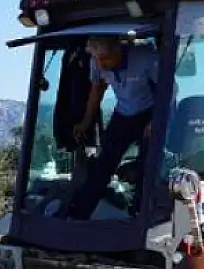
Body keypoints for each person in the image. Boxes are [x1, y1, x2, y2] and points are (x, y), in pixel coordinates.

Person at [64, 35, 159, 220]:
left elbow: (169, 90)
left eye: (106, 59)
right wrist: (85, 121)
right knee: (104, 160)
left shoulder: (145, 57)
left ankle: (141, 213)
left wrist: (157, 120)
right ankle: (80, 214)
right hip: (123, 113)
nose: (102, 64)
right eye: (98, 60)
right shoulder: (96, 62)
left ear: (118, 50)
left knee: (149, 159)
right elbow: (97, 90)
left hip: (150, 111)